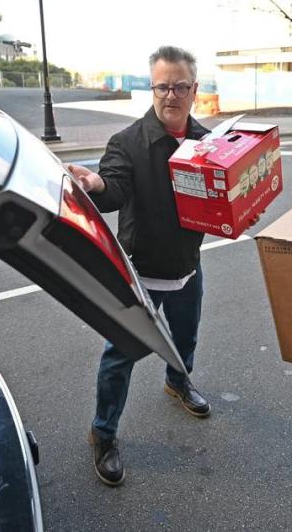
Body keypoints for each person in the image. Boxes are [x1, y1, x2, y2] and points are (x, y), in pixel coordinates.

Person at [67, 45, 217, 487]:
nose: (171, 95)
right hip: (141, 271)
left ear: (194, 89)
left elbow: (222, 198)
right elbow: (112, 188)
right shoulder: (127, 143)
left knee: (185, 339)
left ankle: (178, 382)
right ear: (151, 88)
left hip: (188, 265)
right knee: (122, 355)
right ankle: (104, 432)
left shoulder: (208, 142)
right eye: (162, 86)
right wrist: (95, 183)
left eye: (179, 86)